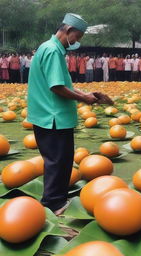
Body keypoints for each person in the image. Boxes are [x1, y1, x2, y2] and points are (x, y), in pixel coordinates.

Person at [27, 13, 113, 216]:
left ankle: (56, 198)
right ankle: (53, 203)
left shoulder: (49, 48)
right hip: (52, 117)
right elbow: (56, 87)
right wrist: (84, 99)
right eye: (77, 36)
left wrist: (86, 94)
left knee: (61, 160)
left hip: (51, 116)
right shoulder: (52, 51)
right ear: (67, 31)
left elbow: (62, 84)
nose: (76, 42)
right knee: (58, 160)